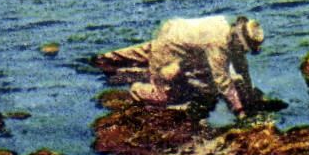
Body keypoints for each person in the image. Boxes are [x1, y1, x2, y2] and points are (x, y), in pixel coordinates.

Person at [97, 15, 265, 117]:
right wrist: (240, 110)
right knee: (164, 97)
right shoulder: (219, 42)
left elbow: (242, 67)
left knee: (141, 52)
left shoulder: (228, 28)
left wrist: (249, 93)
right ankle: (137, 89)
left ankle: (103, 60)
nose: (245, 52)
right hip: (169, 48)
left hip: (177, 34)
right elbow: (222, 79)